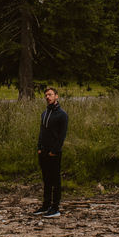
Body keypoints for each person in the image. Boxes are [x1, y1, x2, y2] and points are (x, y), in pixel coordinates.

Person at [34, 86, 68, 217]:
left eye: (50, 95)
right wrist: (39, 147)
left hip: (54, 153)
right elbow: (42, 132)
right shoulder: (44, 113)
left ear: (56, 96)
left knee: (55, 180)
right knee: (46, 180)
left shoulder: (62, 114)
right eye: (46, 95)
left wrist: (55, 151)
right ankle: (45, 205)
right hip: (43, 151)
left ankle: (55, 208)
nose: (48, 97)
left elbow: (62, 135)